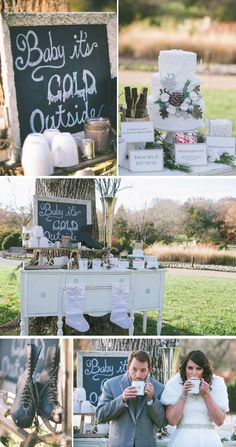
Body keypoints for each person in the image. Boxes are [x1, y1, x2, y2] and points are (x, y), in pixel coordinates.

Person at [96, 350, 166, 447]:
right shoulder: (111, 384)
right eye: (134, 369)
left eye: (143, 370)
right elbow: (100, 416)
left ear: (149, 370)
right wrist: (122, 399)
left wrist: (151, 400)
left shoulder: (159, 388)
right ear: (127, 368)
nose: (138, 375)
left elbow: (162, 422)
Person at [160, 350, 229, 447]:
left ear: (204, 370)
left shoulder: (217, 383)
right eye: (190, 368)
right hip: (182, 439)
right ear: (185, 369)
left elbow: (220, 421)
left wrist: (206, 394)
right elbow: (172, 421)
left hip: (209, 439)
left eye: (198, 369)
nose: (194, 373)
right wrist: (184, 393)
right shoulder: (174, 383)